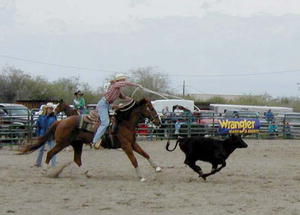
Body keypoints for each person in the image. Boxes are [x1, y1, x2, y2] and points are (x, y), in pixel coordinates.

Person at [92, 74, 141, 149]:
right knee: (105, 123)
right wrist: (137, 85)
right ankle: (95, 141)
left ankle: (113, 141)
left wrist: (132, 100)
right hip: (103, 105)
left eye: (124, 79)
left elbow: (123, 97)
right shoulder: (115, 85)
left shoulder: (118, 90)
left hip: (107, 105)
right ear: (119, 80)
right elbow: (126, 84)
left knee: (114, 120)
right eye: (123, 79)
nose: (124, 81)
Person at [34, 102, 57, 167]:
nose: (49, 110)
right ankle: (38, 163)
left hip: (50, 136)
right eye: (48, 108)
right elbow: (38, 126)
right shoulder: (41, 117)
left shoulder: (53, 117)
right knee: (41, 150)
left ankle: (54, 164)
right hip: (43, 135)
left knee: (52, 150)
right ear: (46, 109)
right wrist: (38, 134)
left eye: (51, 109)